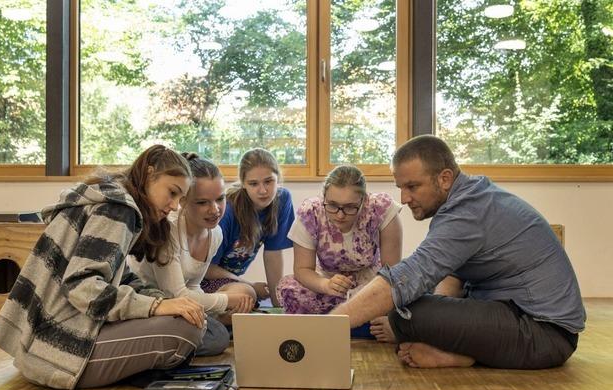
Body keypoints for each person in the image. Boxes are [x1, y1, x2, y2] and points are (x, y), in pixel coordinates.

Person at [332, 135, 586, 369]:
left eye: (412, 186)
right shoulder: (467, 199)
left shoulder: (468, 212)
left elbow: (409, 275)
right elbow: (452, 275)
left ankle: (465, 357)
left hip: (544, 335)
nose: (405, 197)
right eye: (400, 187)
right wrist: (439, 326)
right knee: (408, 308)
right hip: (517, 318)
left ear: (444, 178)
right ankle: (453, 349)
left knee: (404, 312)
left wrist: (328, 326)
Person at [0, 145, 206, 390]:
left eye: (181, 199)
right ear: (149, 174)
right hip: (57, 346)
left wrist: (162, 301)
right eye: (172, 193)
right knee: (185, 331)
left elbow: (122, 277)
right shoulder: (118, 209)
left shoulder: (113, 200)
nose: (175, 206)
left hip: (47, 338)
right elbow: (82, 287)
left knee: (193, 321)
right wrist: (157, 306)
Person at [129, 153, 254, 347]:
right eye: (202, 202)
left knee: (241, 304)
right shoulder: (168, 230)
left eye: (220, 199)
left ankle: (216, 325)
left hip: (179, 305)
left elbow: (194, 286)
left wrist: (222, 307)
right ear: (184, 201)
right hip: (152, 303)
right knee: (216, 337)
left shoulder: (216, 234)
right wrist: (226, 301)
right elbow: (176, 295)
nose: (215, 210)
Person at [276, 165, 402, 341]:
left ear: (364, 201)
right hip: (327, 279)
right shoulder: (310, 212)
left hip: (372, 281)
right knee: (289, 288)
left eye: (350, 207)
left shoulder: (382, 210)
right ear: (323, 198)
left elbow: (391, 271)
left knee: (404, 296)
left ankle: (332, 325)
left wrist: (374, 297)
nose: (340, 215)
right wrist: (325, 285)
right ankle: (354, 325)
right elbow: (302, 269)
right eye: (333, 206)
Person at [202, 148, 295, 307]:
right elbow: (207, 268)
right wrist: (250, 285)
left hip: (231, 282)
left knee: (291, 290)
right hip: (202, 281)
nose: (263, 190)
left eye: (268, 181)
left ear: (277, 178)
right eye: (253, 184)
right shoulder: (227, 211)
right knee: (246, 295)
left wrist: (277, 303)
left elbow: (273, 253)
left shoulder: (282, 199)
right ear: (243, 183)